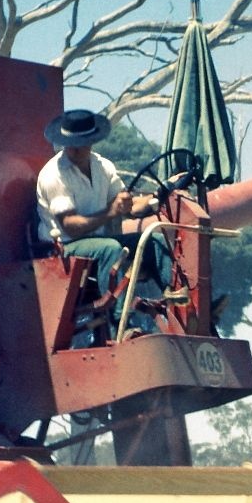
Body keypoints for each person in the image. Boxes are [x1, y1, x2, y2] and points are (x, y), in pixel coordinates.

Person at [34, 108, 171, 336]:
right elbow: (70, 226)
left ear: (91, 141)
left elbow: (129, 207)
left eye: (80, 143)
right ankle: (122, 324)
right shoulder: (53, 175)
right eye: (71, 143)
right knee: (111, 249)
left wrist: (156, 198)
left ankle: (180, 305)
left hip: (96, 242)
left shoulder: (103, 167)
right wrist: (110, 212)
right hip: (64, 249)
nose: (75, 148)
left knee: (154, 240)